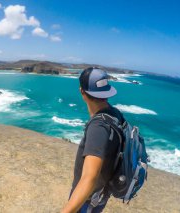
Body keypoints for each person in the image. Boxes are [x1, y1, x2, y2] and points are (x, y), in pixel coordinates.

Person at [61, 67, 126, 213]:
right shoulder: (114, 113)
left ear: (82, 91)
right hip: (101, 194)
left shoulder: (98, 126)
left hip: (88, 200)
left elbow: (89, 178)